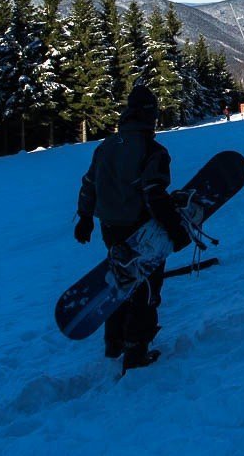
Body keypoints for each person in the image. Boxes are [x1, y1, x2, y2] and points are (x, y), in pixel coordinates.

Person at [74, 85, 191, 368]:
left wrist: (85, 218)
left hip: (110, 228)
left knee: (120, 281)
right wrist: (175, 230)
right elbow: (153, 192)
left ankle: (114, 342)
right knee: (145, 286)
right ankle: (136, 351)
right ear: (151, 115)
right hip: (140, 229)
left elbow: (89, 184)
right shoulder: (153, 150)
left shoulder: (107, 146)